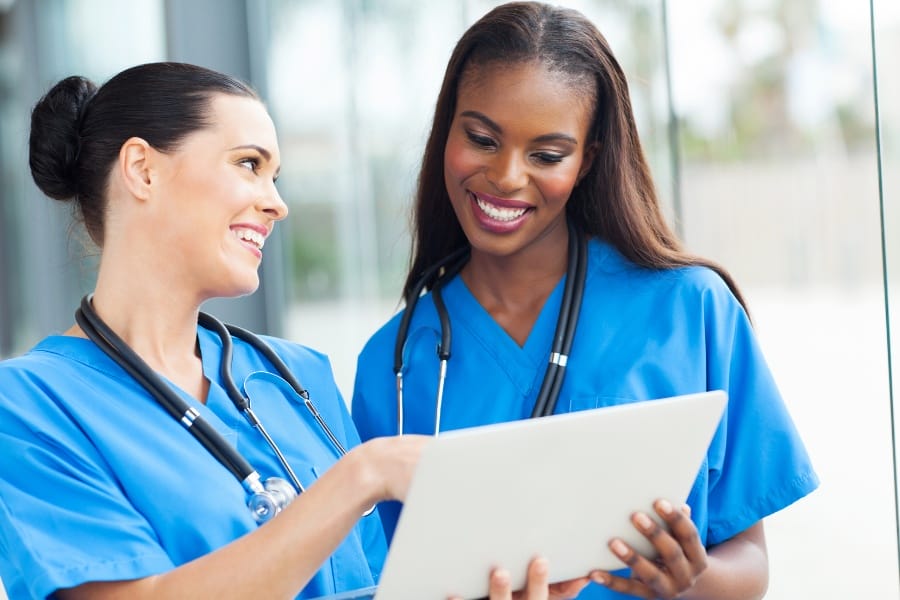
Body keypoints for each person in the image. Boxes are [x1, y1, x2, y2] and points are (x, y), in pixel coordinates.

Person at [0, 61, 583, 600]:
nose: (276, 204)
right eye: (249, 165)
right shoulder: (28, 406)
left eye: (275, 176)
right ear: (142, 169)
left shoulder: (295, 375)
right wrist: (364, 475)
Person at [351, 2, 819, 599]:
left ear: (587, 160)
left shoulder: (692, 311)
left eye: (546, 155)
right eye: (481, 138)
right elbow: (379, 581)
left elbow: (749, 565)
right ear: (447, 130)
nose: (507, 176)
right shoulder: (390, 365)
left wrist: (687, 583)